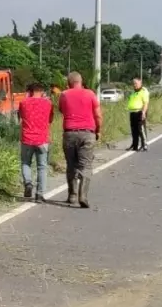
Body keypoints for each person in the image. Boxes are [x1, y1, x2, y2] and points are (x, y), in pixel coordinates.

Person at [57, 72, 102, 209]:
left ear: (69, 83)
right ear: (81, 81)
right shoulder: (90, 94)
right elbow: (98, 115)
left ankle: (72, 195)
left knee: (71, 165)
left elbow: (62, 110)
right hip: (87, 133)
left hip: (70, 133)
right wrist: (98, 130)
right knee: (86, 165)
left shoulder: (64, 94)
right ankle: (83, 195)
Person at [17, 83, 53, 201]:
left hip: (27, 139)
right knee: (42, 167)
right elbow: (50, 119)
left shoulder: (23, 103)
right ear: (42, 92)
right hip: (42, 140)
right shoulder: (48, 103)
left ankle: (28, 183)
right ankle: (39, 194)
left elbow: (20, 117)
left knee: (25, 163)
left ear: (29, 91)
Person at [127, 77, 151, 151]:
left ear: (140, 83)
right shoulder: (133, 93)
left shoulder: (143, 92)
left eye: (136, 83)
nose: (134, 85)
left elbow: (146, 103)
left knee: (141, 129)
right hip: (132, 112)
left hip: (140, 112)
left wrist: (143, 112)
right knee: (134, 130)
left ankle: (144, 144)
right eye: (133, 83)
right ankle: (135, 145)